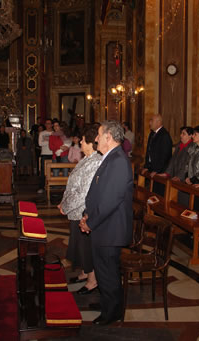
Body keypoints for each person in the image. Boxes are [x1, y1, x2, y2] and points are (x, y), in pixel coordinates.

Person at [79, 120, 133, 326]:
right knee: (103, 270)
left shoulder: (118, 160)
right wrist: (86, 215)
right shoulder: (110, 157)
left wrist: (90, 222)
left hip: (110, 227)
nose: (96, 139)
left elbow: (110, 199)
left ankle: (112, 313)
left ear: (108, 137)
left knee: (108, 272)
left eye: (99, 135)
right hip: (102, 224)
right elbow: (97, 192)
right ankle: (108, 304)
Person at [58, 126, 102, 295]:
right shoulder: (86, 159)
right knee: (79, 244)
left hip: (83, 210)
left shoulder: (95, 162)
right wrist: (64, 202)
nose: (81, 142)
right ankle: (85, 272)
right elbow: (73, 184)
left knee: (85, 246)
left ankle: (93, 280)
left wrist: (66, 206)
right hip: (75, 210)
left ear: (91, 143)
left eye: (83, 140)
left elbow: (83, 193)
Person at [37, 119, 53, 194]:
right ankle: (41, 187)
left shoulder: (54, 133)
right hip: (44, 154)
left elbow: (55, 144)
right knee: (43, 172)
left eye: (49, 123)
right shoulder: (42, 133)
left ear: (51, 125)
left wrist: (46, 141)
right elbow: (40, 144)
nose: (48, 125)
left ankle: (52, 186)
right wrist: (49, 141)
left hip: (53, 154)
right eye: (46, 123)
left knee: (52, 171)